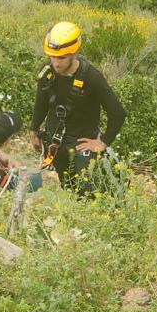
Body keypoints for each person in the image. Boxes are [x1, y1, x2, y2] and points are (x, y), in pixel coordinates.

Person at [31, 21, 127, 195]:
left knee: (85, 191)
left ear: (74, 53)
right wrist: (34, 130)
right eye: (52, 56)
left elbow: (117, 112)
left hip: (82, 143)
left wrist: (103, 142)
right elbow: (41, 102)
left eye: (61, 58)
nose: (56, 63)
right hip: (55, 141)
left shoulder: (92, 78)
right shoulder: (47, 72)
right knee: (65, 185)